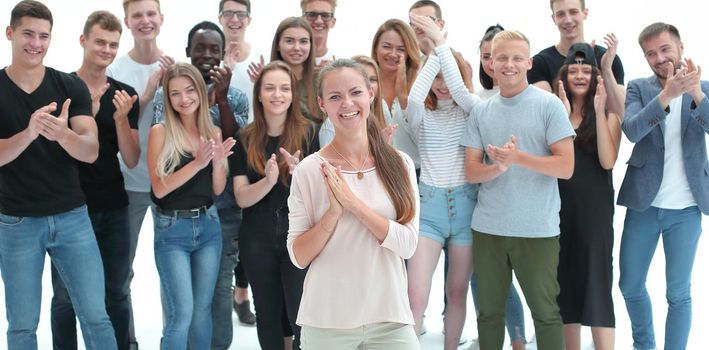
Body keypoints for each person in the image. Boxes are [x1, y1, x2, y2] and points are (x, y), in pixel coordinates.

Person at [0, 1, 117, 349]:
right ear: (10, 34)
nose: (35, 43)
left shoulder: (70, 86)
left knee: (96, 316)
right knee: (22, 326)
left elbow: (91, 150)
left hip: (72, 218)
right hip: (16, 222)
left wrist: (62, 134)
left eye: (43, 36)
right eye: (28, 34)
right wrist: (29, 133)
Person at [288, 58, 419, 349]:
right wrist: (333, 214)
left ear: (370, 94)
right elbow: (298, 256)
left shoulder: (400, 165)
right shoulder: (310, 171)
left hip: (390, 319)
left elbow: (408, 245)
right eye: (335, 96)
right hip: (326, 320)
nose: (347, 103)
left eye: (355, 92)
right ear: (322, 104)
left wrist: (353, 204)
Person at [461, 30, 575, 350]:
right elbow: (471, 171)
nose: (508, 65)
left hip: (537, 230)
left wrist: (517, 157)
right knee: (489, 314)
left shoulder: (548, 105)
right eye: (501, 58)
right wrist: (497, 167)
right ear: (490, 64)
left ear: (528, 62)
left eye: (516, 58)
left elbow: (566, 167)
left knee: (546, 313)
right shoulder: (481, 111)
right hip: (488, 229)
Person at [151, 21, 249, 350]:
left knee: (203, 310)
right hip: (172, 229)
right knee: (182, 313)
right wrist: (198, 163)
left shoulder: (213, 132)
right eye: (175, 93)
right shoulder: (161, 131)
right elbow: (160, 189)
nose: (183, 99)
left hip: (208, 226)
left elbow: (218, 190)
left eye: (190, 91)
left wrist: (218, 160)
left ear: (200, 92)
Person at [50, 10, 140, 350]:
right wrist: (84, 113)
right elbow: (53, 148)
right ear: (83, 40)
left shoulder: (124, 94)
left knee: (116, 291)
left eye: (113, 44)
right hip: (68, 207)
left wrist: (119, 119)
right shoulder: (58, 87)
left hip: (113, 206)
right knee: (64, 297)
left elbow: (131, 158)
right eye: (100, 41)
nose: (106, 49)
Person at [618, 22, 709, 350]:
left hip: (686, 209)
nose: (659, 58)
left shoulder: (705, 88)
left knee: (678, 293)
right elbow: (631, 130)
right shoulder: (638, 88)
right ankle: (645, 345)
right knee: (629, 284)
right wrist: (666, 95)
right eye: (651, 53)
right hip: (643, 204)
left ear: (681, 47)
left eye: (665, 49)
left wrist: (695, 92)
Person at [232, 60, 319, 350]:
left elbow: (321, 194)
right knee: (268, 315)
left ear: (293, 94)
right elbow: (241, 197)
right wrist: (268, 181)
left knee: (301, 314)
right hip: (257, 235)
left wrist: (301, 175)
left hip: (298, 234)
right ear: (259, 94)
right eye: (269, 88)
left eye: (284, 88)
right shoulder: (245, 137)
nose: (277, 94)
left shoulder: (309, 133)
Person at [404, 15, 476, 350]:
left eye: (452, 75)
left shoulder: (472, 110)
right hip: (429, 209)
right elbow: (416, 96)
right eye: (438, 77)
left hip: (465, 210)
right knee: (415, 296)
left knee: (457, 293)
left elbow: (460, 91)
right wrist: (434, 50)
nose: (444, 83)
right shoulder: (420, 114)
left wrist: (443, 47)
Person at [106, 1, 173, 347]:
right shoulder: (115, 69)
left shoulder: (174, 65)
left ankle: (171, 339)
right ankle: (126, 341)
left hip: (170, 185)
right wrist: (146, 94)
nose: (145, 21)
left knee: (171, 274)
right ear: (127, 22)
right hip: (128, 184)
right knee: (122, 272)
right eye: (138, 15)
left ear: (161, 19)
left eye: (151, 14)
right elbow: (116, 126)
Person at [553, 42, 620, 350]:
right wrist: (565, 116)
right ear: (564, 76)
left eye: (586, 70)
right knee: (564, 283)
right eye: (573, 70)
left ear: (596, 76)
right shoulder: (555, 113)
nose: (579, 75)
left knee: (597, 282)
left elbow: (608, 161)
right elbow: (555, 158)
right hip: (558, 209)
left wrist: (596, 108)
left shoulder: (608, 115)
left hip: (595, 211)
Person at [470, 24, 528, 350]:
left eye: (505, 55)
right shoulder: (477, 101)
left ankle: (518, 339)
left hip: (520, 203)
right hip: (483, 202)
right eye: (489, 57)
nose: (496, 63)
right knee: (483, 277)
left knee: (515, 277)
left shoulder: (527, 98)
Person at [528, 0, 625, 117]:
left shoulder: (608, 59)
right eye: (561, 14)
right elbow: (543, 113)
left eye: (573, 12)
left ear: (585, 13)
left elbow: (621, 114)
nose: (568, 20)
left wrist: (606, 69)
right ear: (554, 18)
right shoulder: (540, 63)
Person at [371, 19, 421, 175]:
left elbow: (425, 138)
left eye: (401, 49)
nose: (393, 54)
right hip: (375, 174)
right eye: (386, 47)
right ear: (376, 50)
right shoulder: (362, 87)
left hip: (415, 176)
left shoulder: (420, 87)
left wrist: (404, 99)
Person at [319, 55, 389, 146]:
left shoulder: (383, 109)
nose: (348, 103)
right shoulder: (330, 125)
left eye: (372, 79)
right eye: (335, 96)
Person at [219, 0, 261, 124]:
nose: (235, 19)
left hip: (253, 135)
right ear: (220, 18)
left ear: (249, 20)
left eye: (241, 14)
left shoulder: (261, 59)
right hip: (217, 135)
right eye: (228, 14)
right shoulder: (209, 59)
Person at [300, 0, 339, 66]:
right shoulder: (289, 62)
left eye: (325, 15)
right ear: (302, 20)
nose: (319, 21)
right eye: (312, 15)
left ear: (333, 22)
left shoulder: (340, 64)